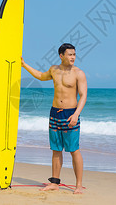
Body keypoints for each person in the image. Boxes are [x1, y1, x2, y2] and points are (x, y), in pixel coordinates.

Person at [21, 43, 87, 194]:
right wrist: (24, 65)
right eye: (70, 54)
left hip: (70, 114)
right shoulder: (54, 70)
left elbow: (83, 96)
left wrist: (76, 114)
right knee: (56, 150)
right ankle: (55, 183)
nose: (73, 57)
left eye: (74, 54)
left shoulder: (79, 73)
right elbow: (40, 76)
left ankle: (78, 185)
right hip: (55, 113)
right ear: (61, 55)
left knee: (74, 150)